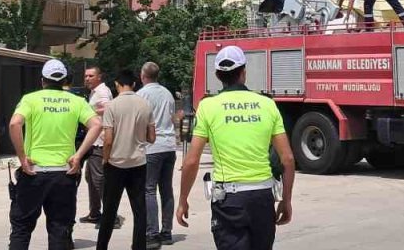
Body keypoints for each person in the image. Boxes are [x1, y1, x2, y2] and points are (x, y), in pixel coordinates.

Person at [177, 46, 296, 250]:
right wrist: (286, 199)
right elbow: (288, 159)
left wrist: (183, 199)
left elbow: (191, 160)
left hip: (229, 201)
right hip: (262, 198)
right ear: (243, 72)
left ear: (217, 75)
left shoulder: (208, 107)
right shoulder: (267, 104)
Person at [9, 60, 104, 250]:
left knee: (21, 228)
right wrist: (78, 156)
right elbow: (96, 125)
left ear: (42, 80)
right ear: (64, 81)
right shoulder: (77, 101)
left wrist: (22, 157)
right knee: (60, 229)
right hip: (63, 174)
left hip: (33, 172)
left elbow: (14, 124)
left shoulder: (30, 99)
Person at [96, 70, 156, 250]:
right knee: (139, 210)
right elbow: (152, 137)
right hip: (138, 163)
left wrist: (105, 159)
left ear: (117, 84)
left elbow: (107, 140)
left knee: (109, 210)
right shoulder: (145, 105)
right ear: (135, 84)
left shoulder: (112, 106)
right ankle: (139, 246)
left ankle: (102, 246)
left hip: (115, 163)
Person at [137, 62, 177, 247]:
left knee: (149, 189)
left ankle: (152, 232)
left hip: (152, 147)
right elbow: (171, 118)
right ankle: (167, 232)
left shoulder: (142, 95)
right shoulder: (167, 93)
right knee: (166, 189)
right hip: (169, 145)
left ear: (143, 76)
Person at [80, 66, 122, 228]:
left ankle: (112, 217)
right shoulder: (95, 92)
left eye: (91, 76)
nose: (87, 78)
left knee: (99, 180)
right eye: (86, 76)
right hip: (93, 141)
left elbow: (109, 107)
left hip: (99, 142)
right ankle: (95, 213)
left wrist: (88, 110)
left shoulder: (102, 92)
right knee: (91, 178)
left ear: (99, 77)